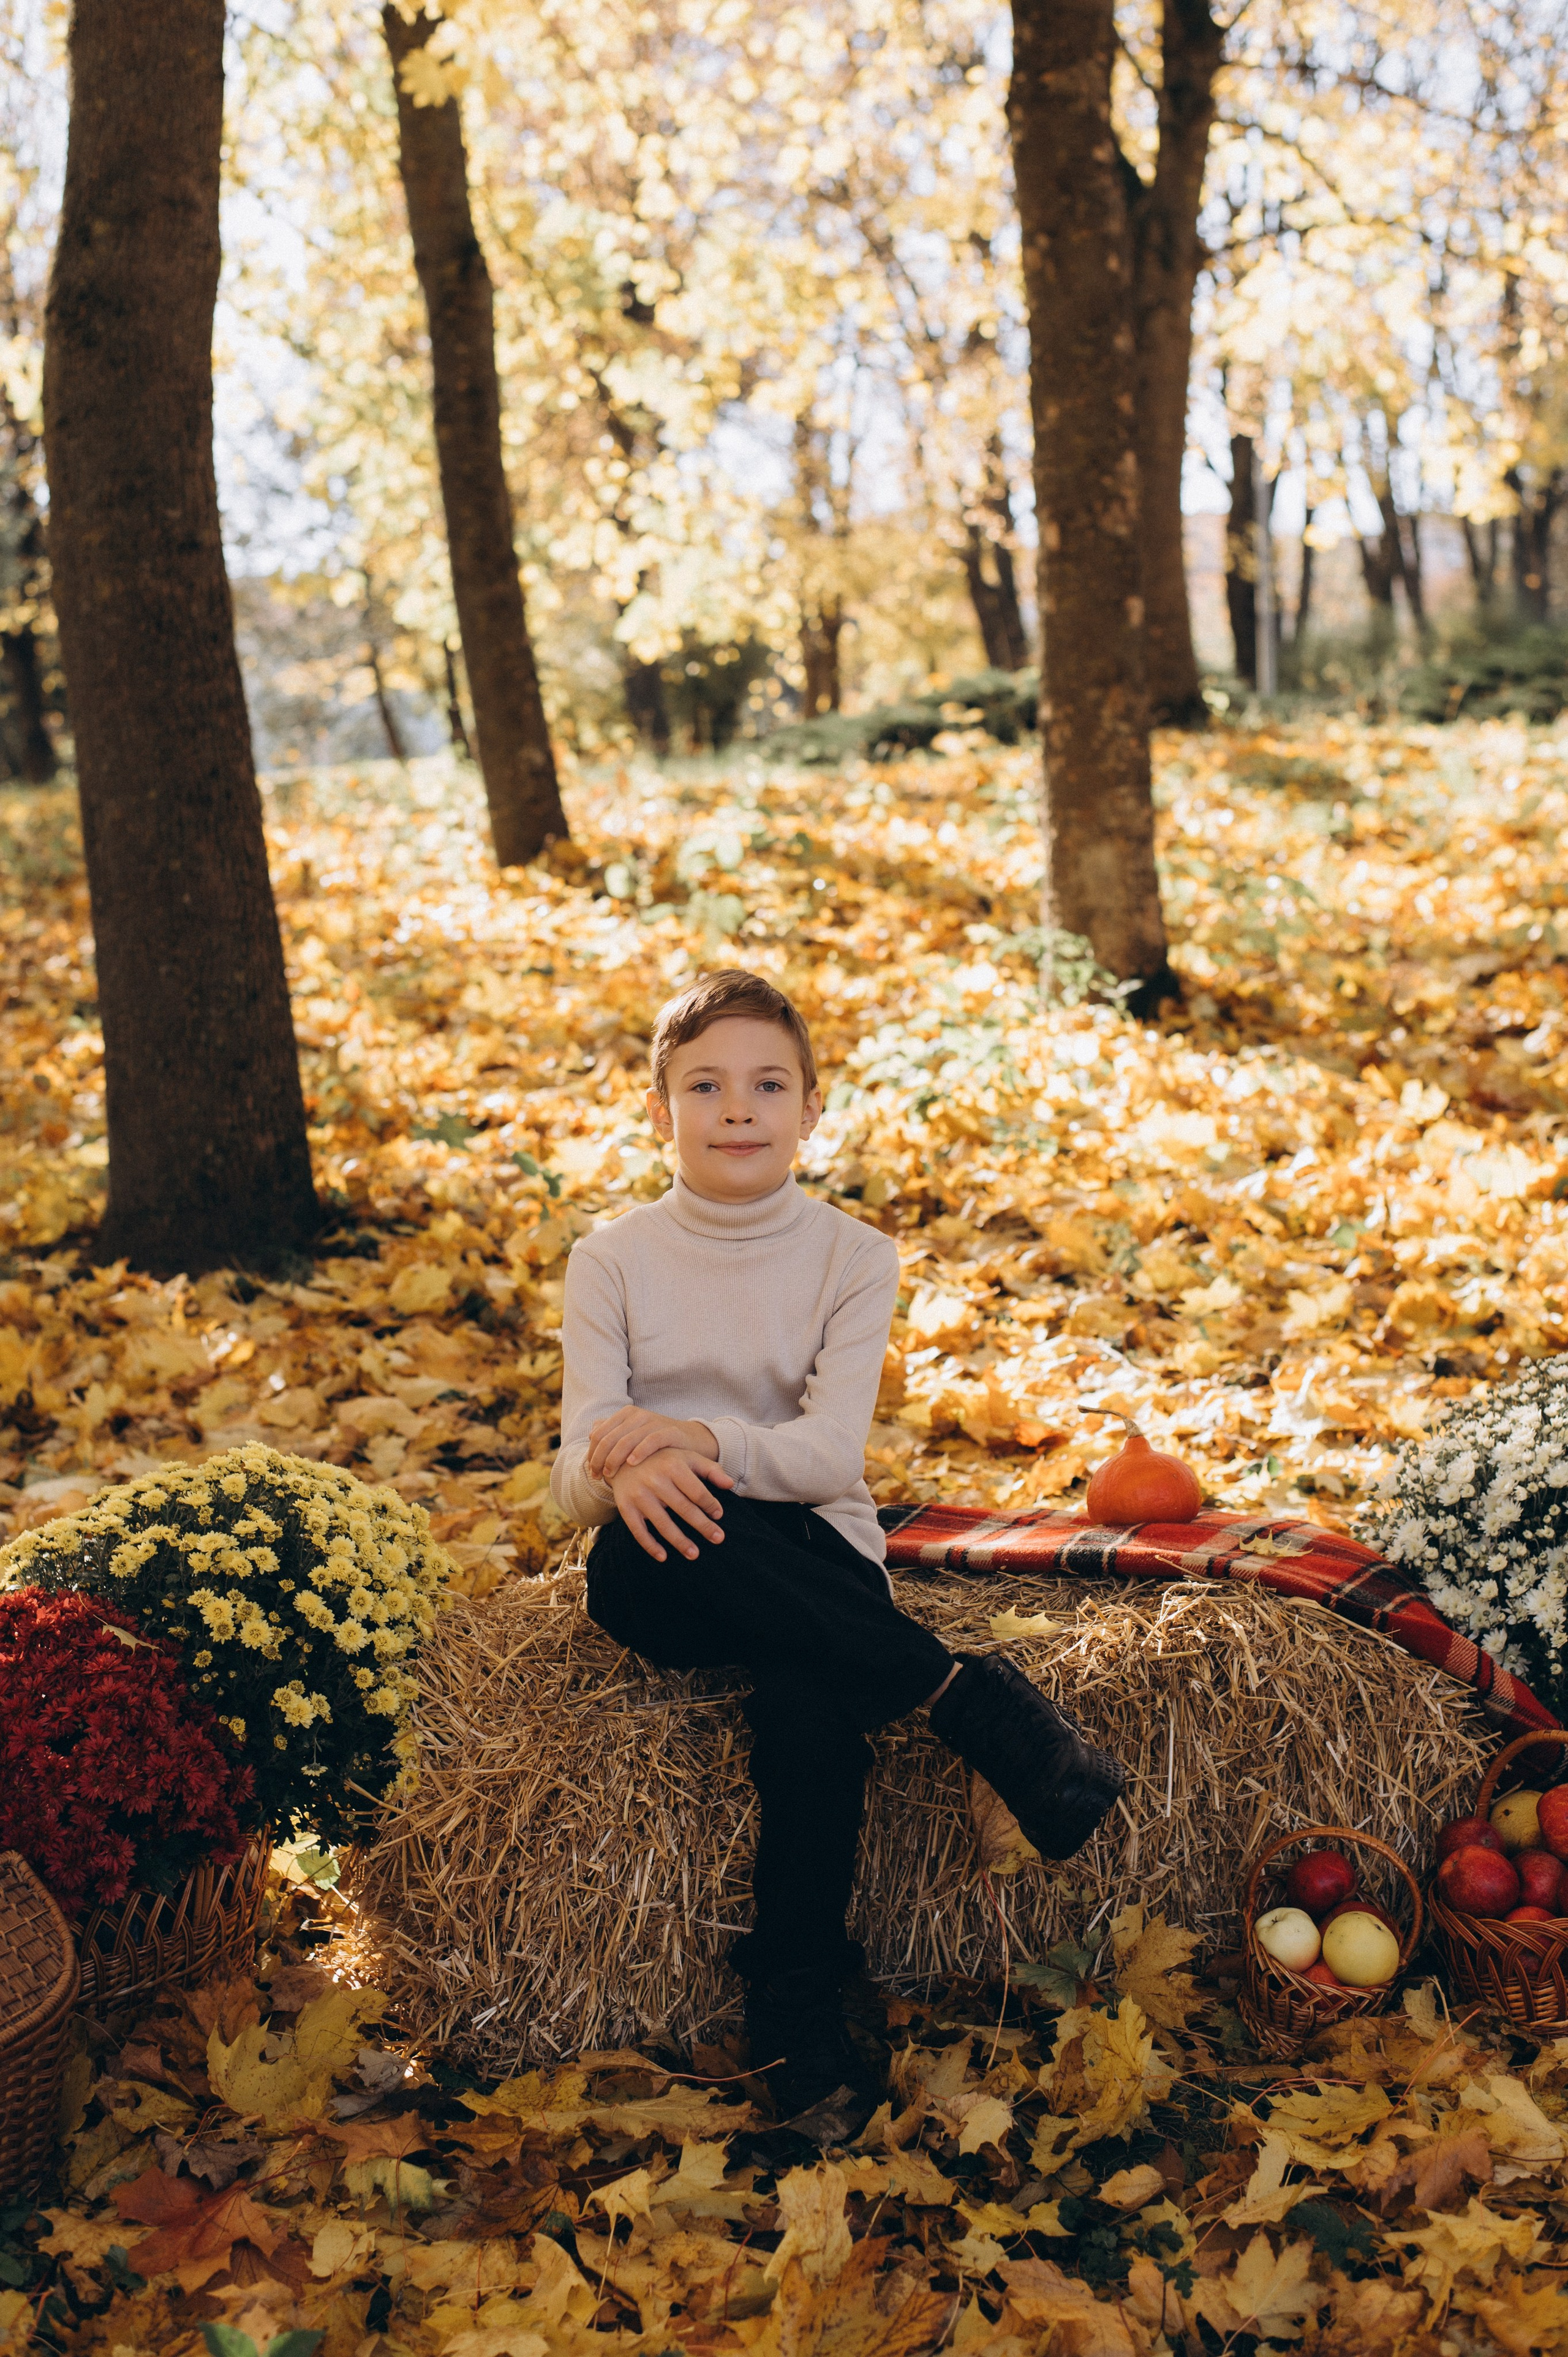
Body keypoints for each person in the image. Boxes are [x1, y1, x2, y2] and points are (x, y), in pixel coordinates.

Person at [551, 968, 1123, 2138]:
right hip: (665, 1563)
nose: (737, 1108)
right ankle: (968, 1701)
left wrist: (694, 1438)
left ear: (813, 1108)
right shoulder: (610, 1260)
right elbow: (575, 1478)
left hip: (812, 1551)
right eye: (704, 1085)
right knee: (629, 1561)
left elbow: (823, 1458)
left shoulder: (851, 1257)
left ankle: (796, 2002)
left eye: (769, 1083)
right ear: (662, 1110)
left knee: (810, 1710)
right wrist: (629, 1468)